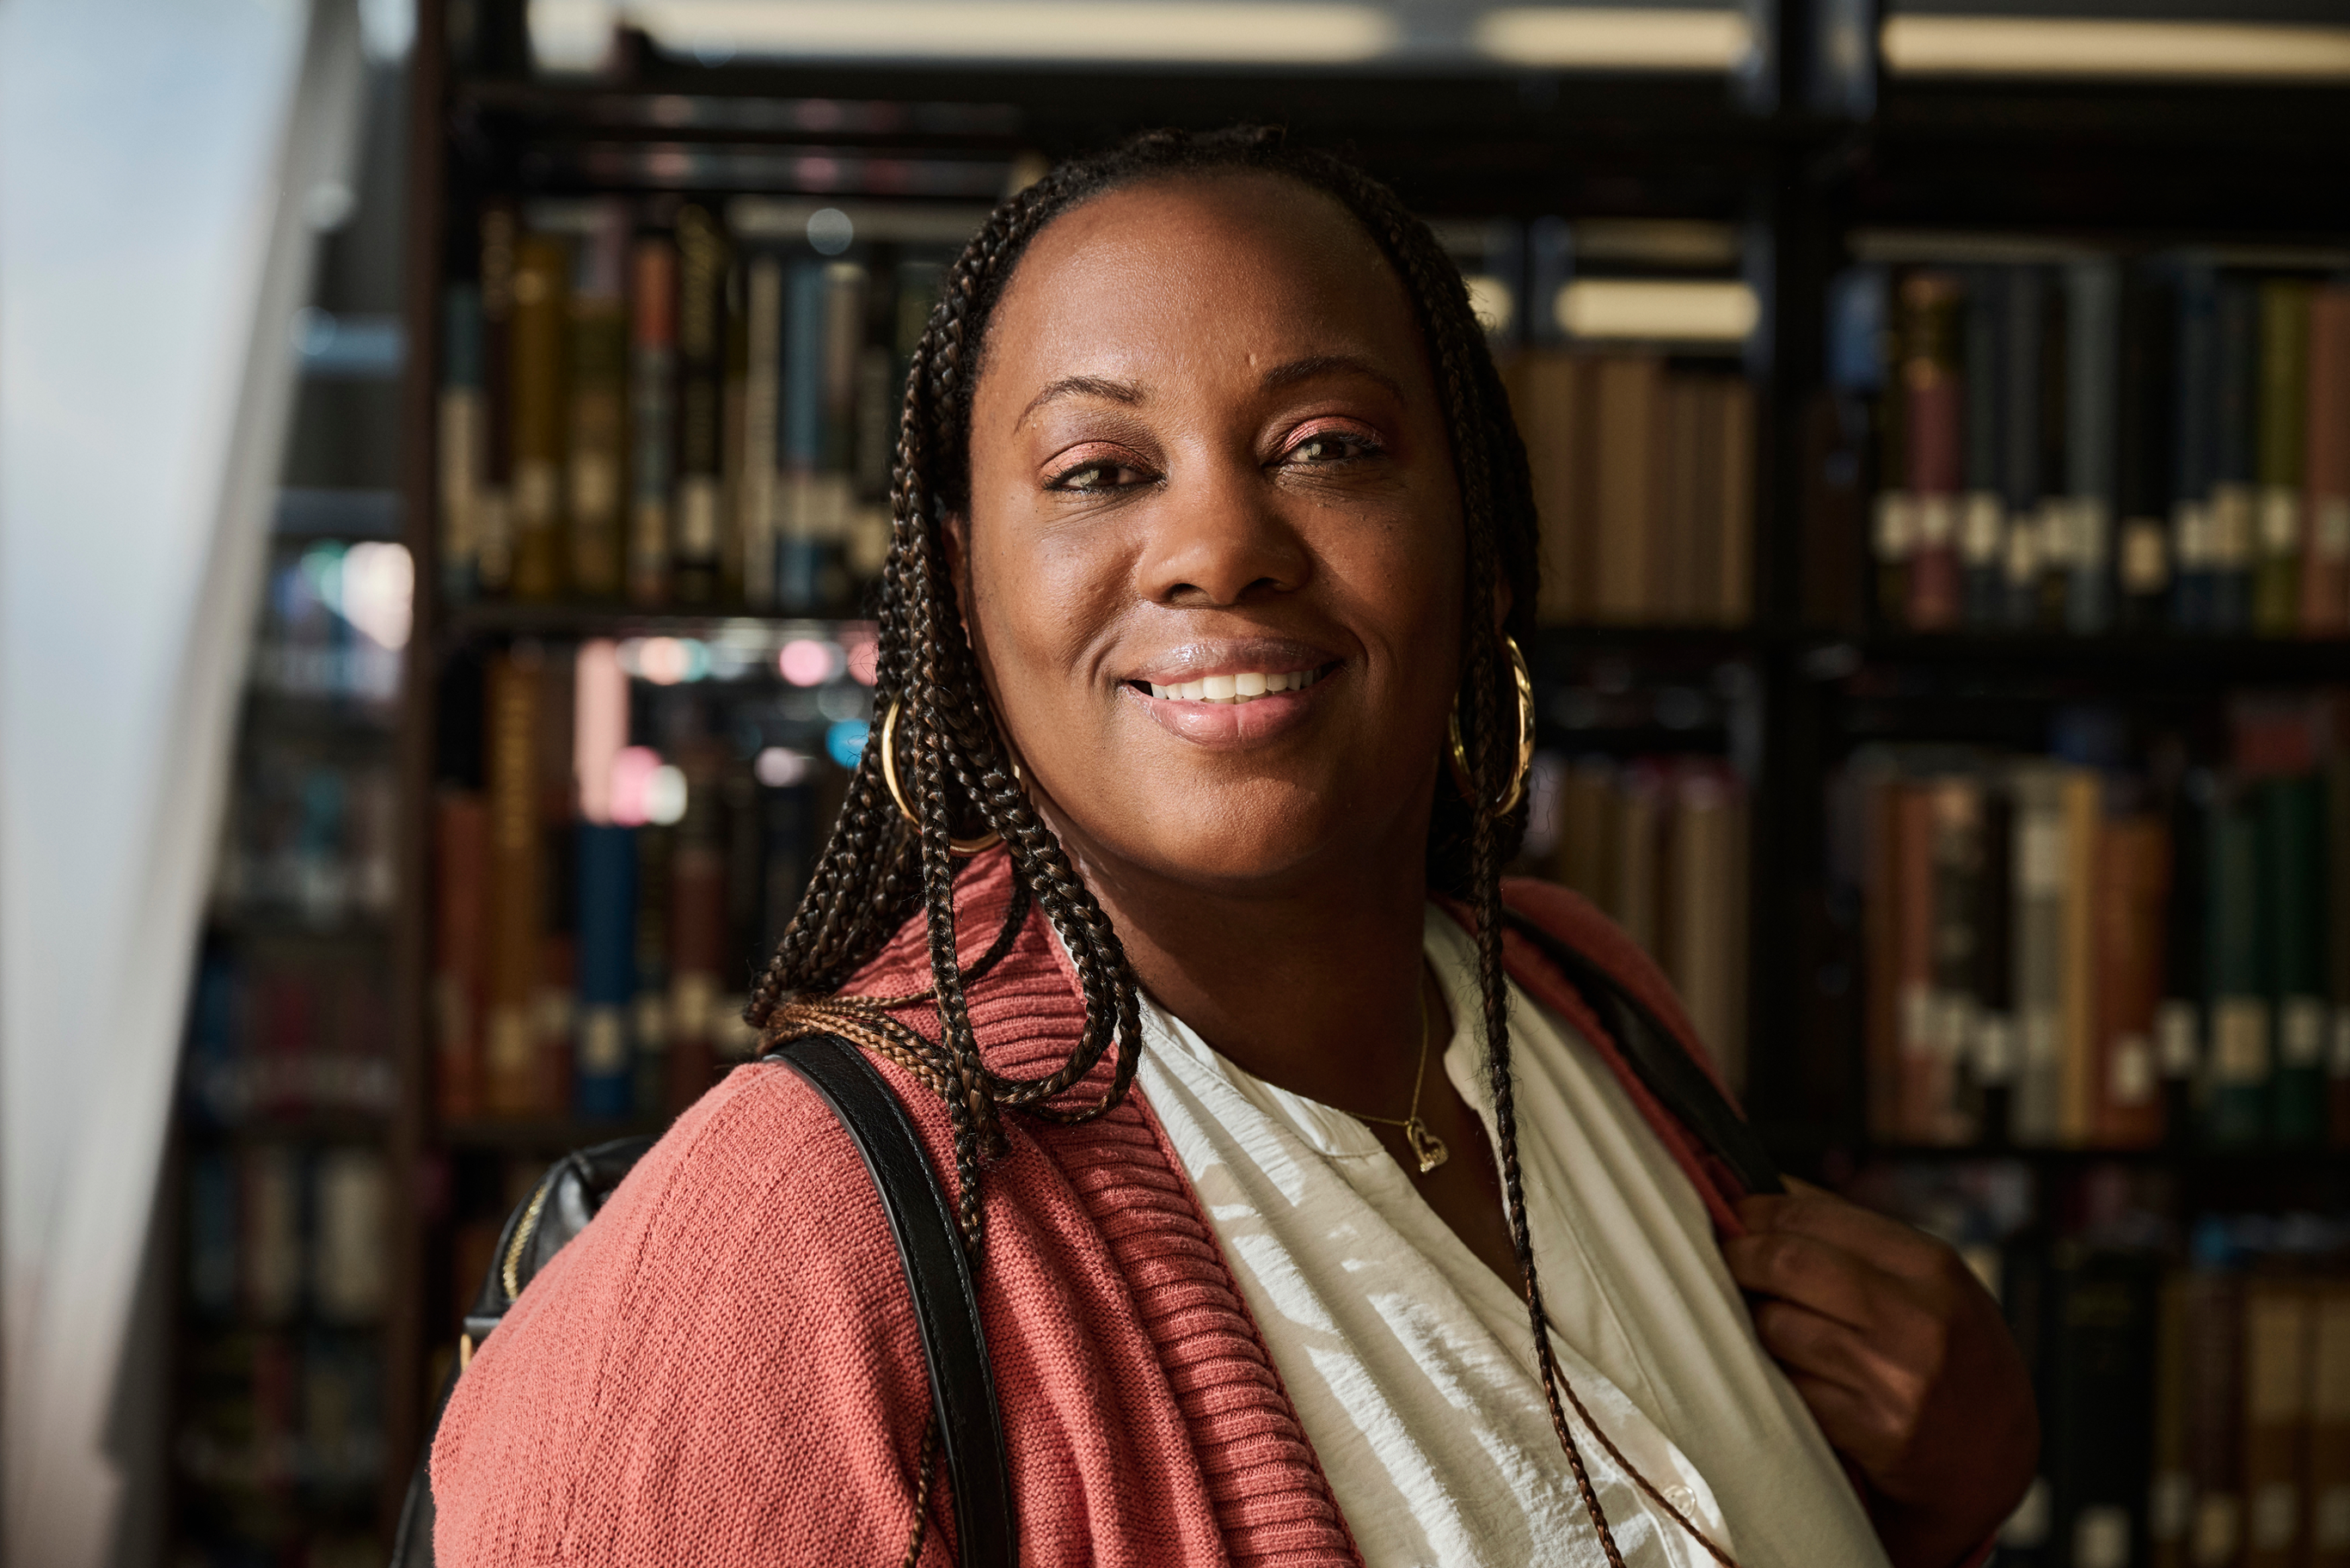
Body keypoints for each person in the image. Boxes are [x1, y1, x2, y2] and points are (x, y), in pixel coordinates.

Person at [431, 127, 2035, 1567]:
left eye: (1327, 446)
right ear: (964, 595)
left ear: (1476, 541)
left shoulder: (1584, 1003)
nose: (1216, 550)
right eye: (1098, 473)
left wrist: (1939, 1505)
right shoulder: (794, 1237)